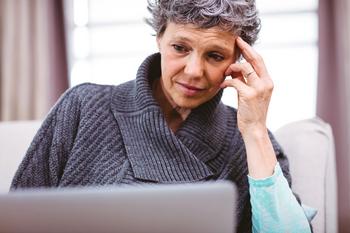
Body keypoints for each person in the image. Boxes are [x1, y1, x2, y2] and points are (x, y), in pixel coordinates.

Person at [11, 0, 314, 232]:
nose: (194, 71)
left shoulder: (249, 144)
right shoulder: (82, 106)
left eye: (215, 56)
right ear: (159, 37)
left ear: (238, 60)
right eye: (180, 48)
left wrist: (255, 131)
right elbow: (17, 218)